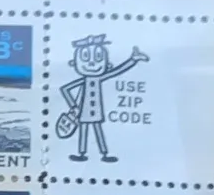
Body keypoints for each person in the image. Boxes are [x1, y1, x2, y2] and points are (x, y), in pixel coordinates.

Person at [59, 35, 148, 163]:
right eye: (85, 57)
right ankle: (82, 153)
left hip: (95, 111)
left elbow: (116, 71)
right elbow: (64, 89)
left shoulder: (98, 78)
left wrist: (132, 60)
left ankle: (104, 154)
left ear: (107, 63)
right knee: (84, 130)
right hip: (83, 111)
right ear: (74, 62)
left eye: (98, 57)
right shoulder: (85, 80)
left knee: (98, 130)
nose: (91, 63)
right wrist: (73, 106)